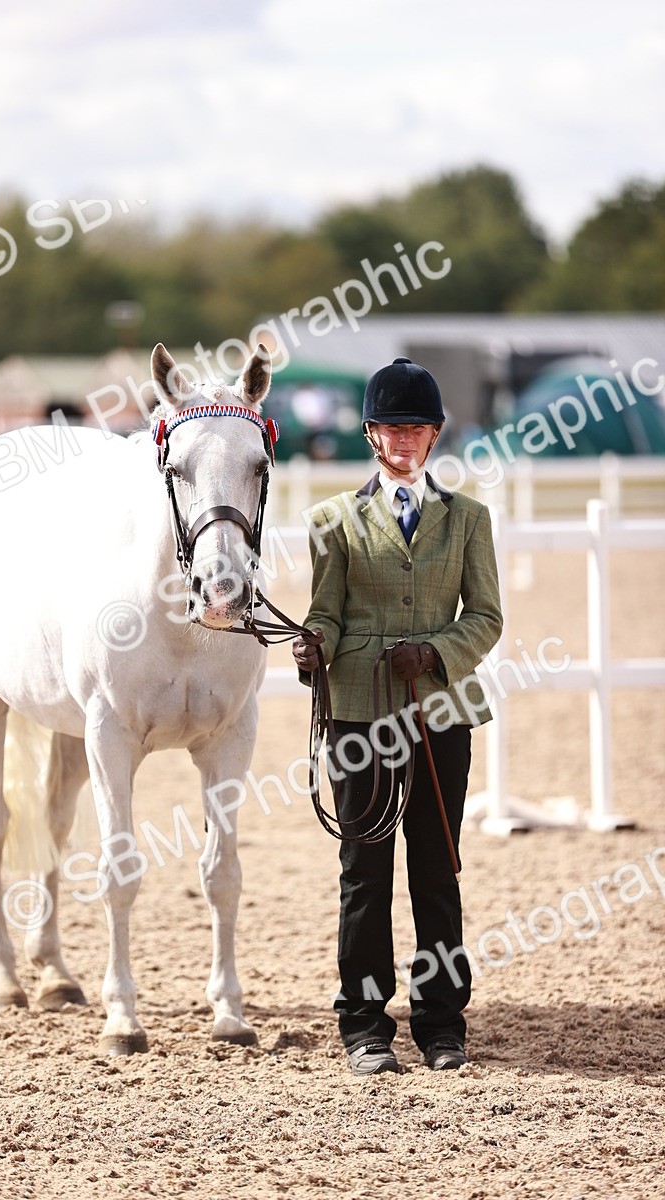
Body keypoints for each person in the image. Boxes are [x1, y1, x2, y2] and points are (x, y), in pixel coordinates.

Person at [292, 357, 503, 1076]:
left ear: (435, 434)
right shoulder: (332, 522)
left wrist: (437, 652)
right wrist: (313, 645)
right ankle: (363, 1024)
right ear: (371, 435)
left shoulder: (468, 520)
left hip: (439, 713)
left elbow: (485, 618)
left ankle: (443, 1024)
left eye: (416, 427)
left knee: (437, 870)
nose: (403, 439)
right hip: (357, 713)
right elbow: (327, 613)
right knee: (364, 870)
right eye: (390, 427)